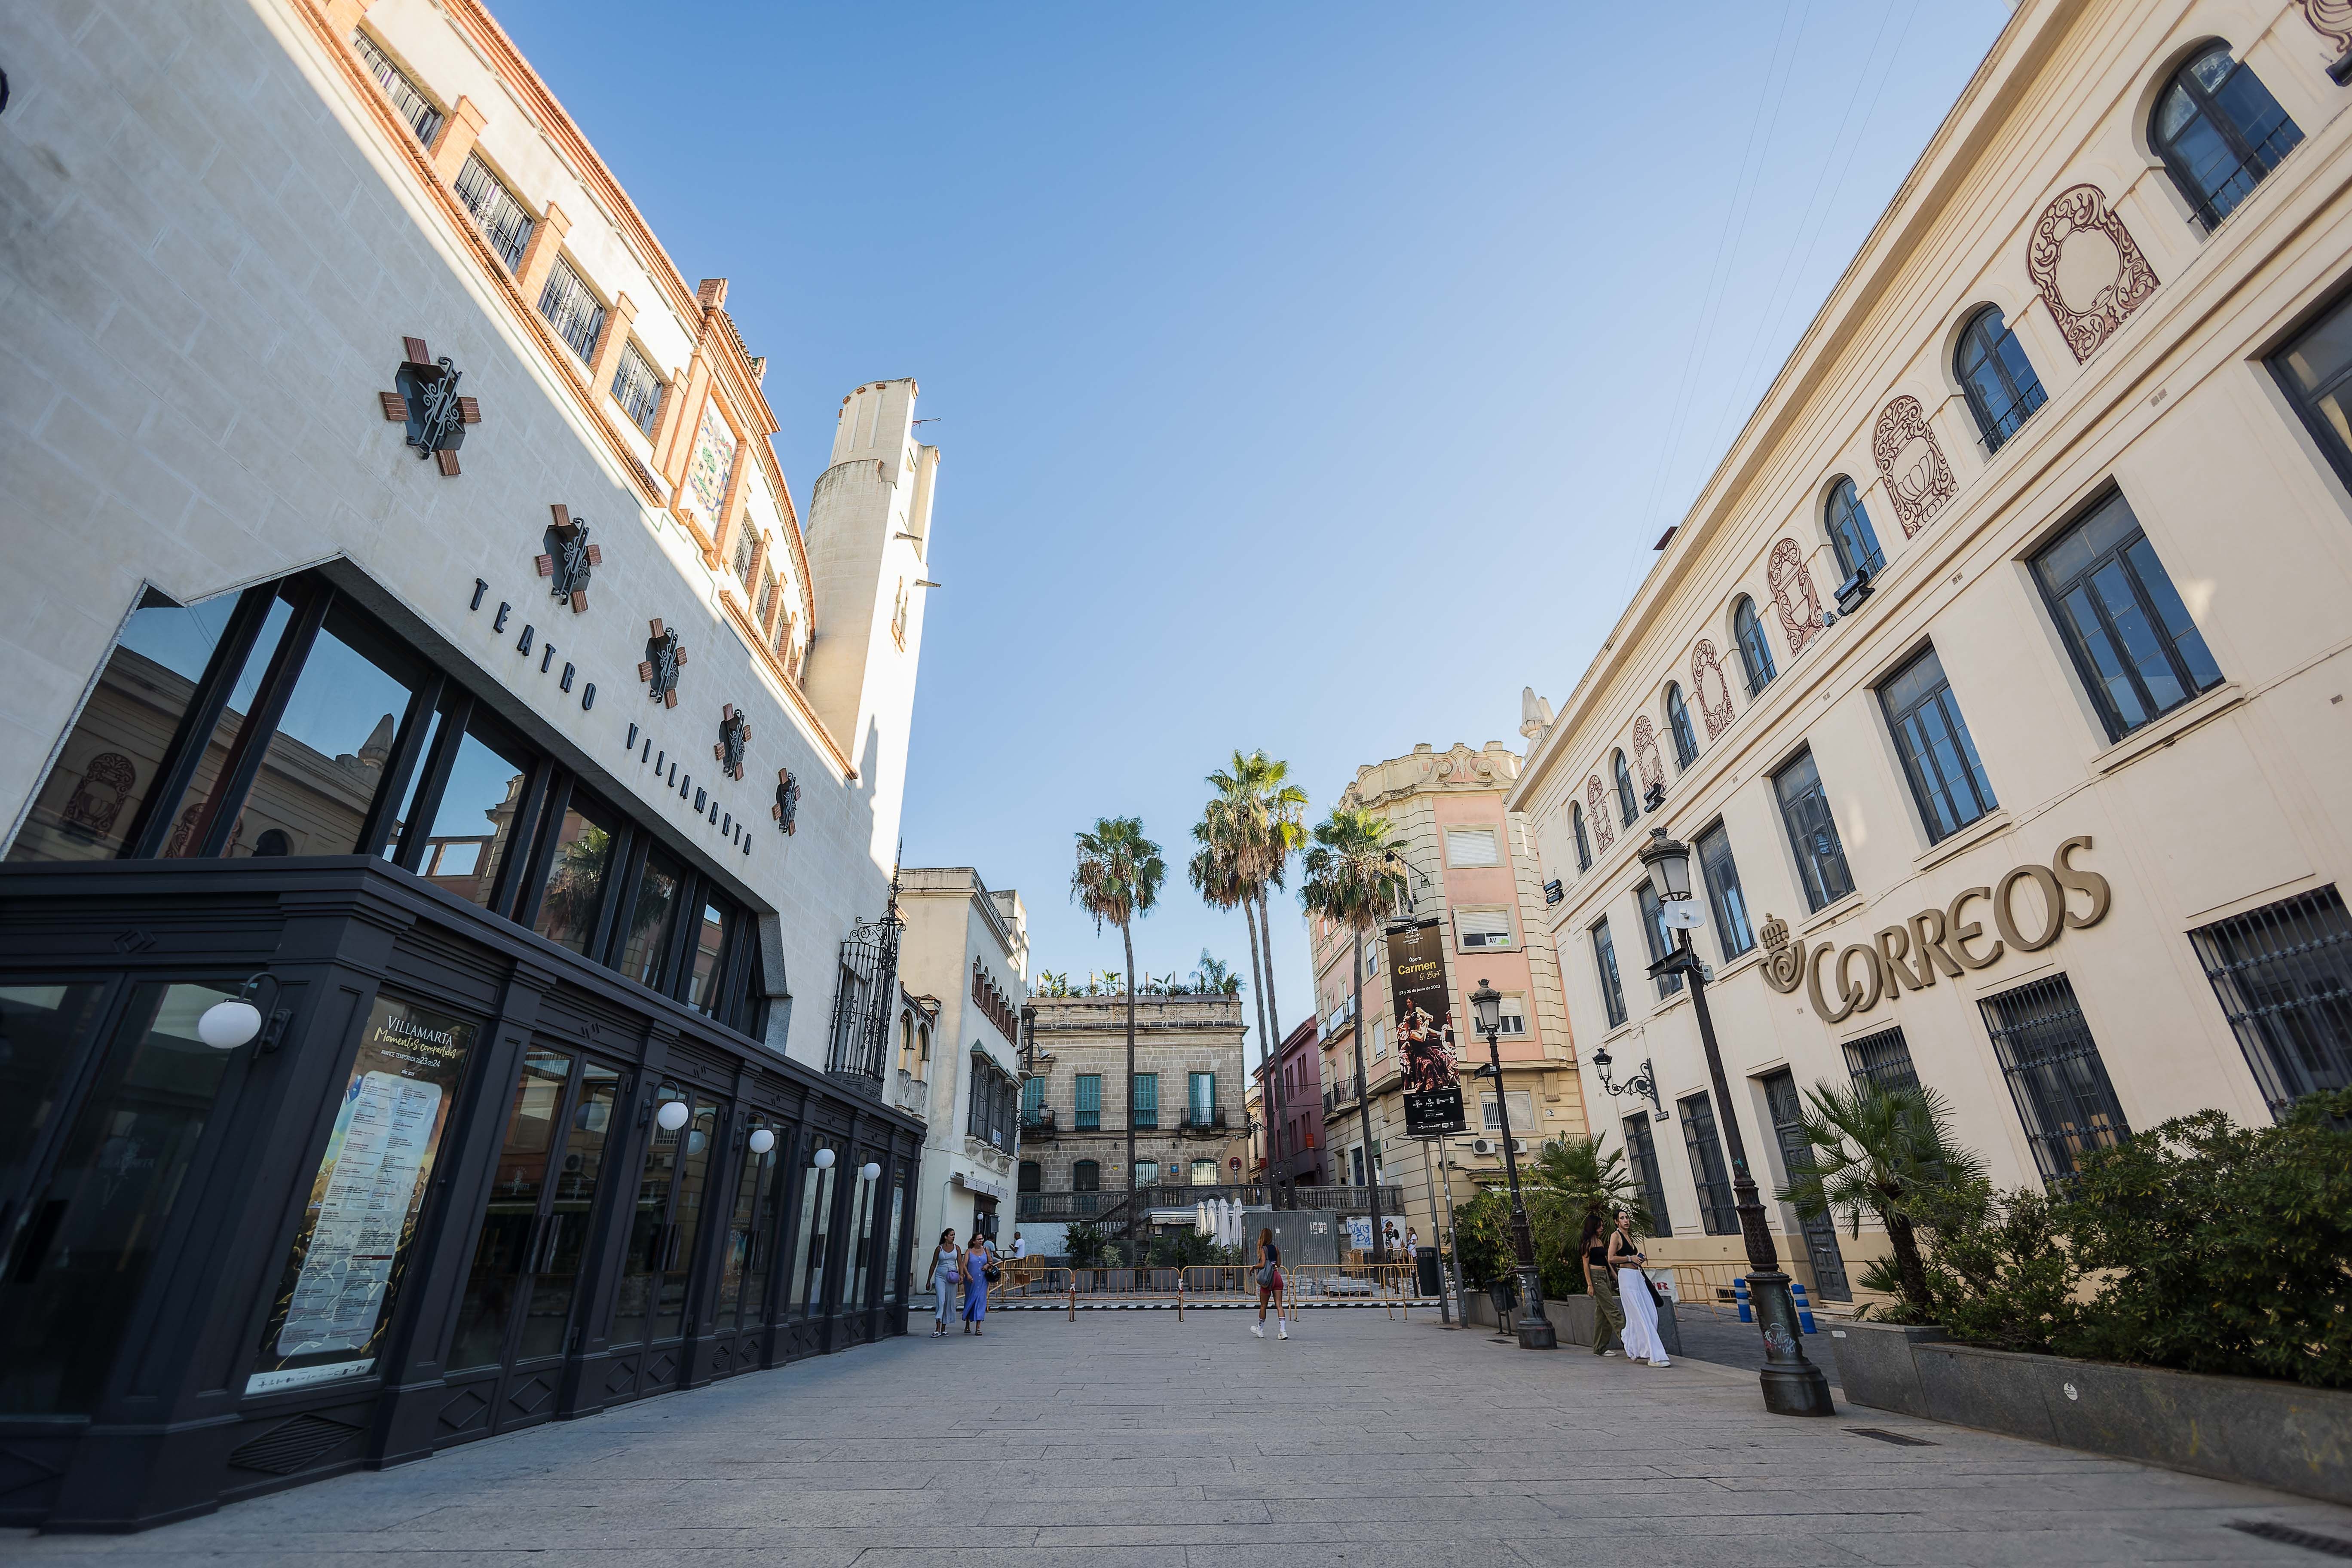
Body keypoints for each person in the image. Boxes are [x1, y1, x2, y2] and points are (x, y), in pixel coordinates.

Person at [1608, 1208, 1669, 1366]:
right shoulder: (1616, 1236)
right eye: (1622, 1218)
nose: (1626, 1220)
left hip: (1638, 1277)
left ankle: (1633, 1346)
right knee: (1640, 1316)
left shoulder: (1628, 1236)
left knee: (1651, 1314)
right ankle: (1655, 1356)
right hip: (1627, 1278)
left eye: (1627, 1217)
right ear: (1616, 1222)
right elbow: (1611, 1258)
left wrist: (1638, 1259)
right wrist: (1630, 1258)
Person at [1579, 1213, 1624, 1358]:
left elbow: (1606, 1259)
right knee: (1612, 1309)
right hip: (1596, 1277)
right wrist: (1590, 1285)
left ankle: (1599, 1347)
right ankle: (1628, 1340)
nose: (1602, 1228)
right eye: (1600, 1226)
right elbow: (1585, 1265)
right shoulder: (1588, 1243)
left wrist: (1614, 1274)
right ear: (1593, 1227)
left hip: (1604, 1275)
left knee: (1602, 1314)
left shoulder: (1599, 1241)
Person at [1251, 1226, 1287, 1340]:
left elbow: (1262, 1265)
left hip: (1268, 1278)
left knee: (1263, 1306)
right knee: (1279, 1305)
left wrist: (1254, 1267)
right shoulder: (1276, 1249)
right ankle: (1283, 1331)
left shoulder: (1263, 1249)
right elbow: (1278, 1264)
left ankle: (1260, 1329)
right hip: (1277, 1276)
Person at [924, 1228, 960, 1338]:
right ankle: (937, 1328)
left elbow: (961, 1263)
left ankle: (944, 1327)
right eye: (951, 1235)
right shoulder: (939, 1249)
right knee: (941, 1300)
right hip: (940, 1276)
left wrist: (962, 1275)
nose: (953, 1237)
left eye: (954, 1235)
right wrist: (929, 1280)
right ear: (946, 1237)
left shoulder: (957, 1248)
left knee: (949, 1301)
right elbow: (933, 1264)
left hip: (952, 1276)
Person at [963, 1233, 992, 1335]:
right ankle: (967, 1323)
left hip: (983, 1280)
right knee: (970, 1300)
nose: (981, 1241)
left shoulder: (986, 1250)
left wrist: (987, 1266)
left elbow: (990, 1261)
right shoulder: (969, 1252)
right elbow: (964, 1265)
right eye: (979, 1239)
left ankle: (978, 1327)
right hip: (971, 1281)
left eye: (982, 1239)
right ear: (974, 1241)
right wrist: (967, 1275)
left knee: (981, 1301)